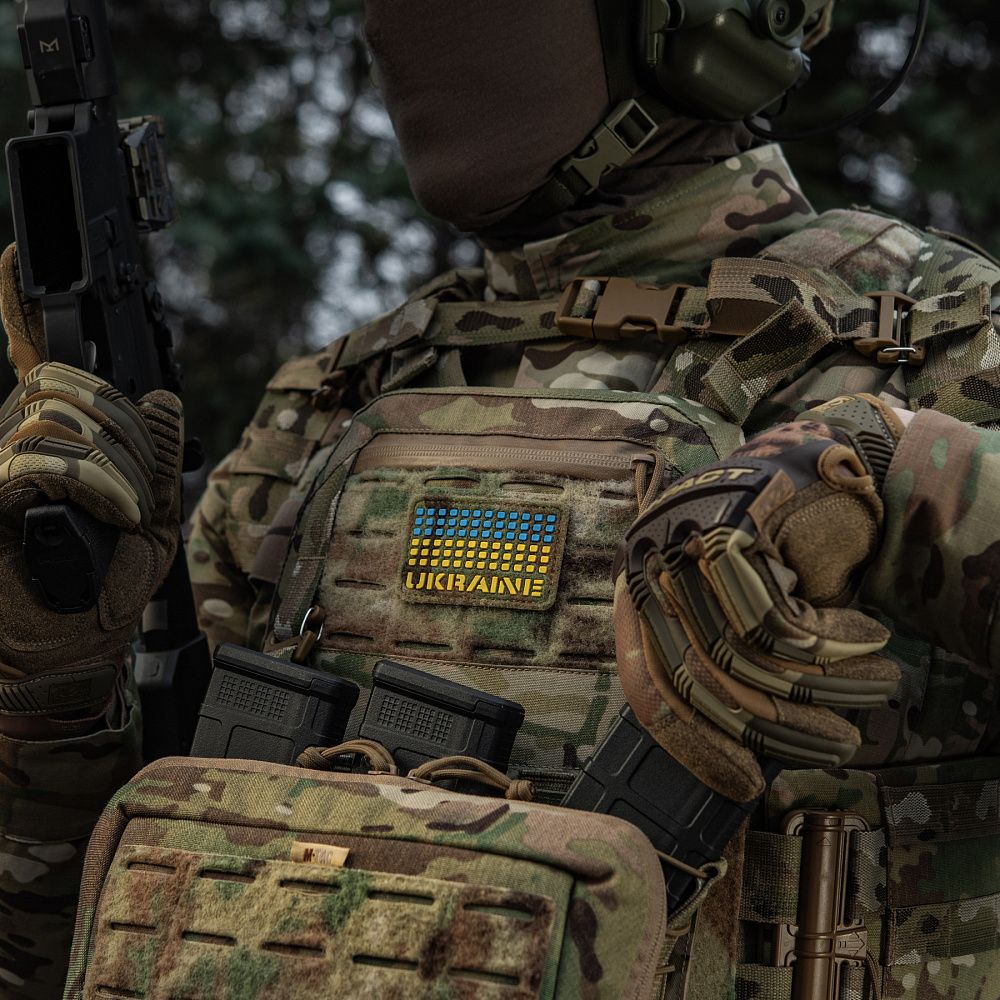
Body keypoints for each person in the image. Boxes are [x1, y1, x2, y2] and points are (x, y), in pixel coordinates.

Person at [1, 2, 999, 997]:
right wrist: (54, 689)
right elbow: (102, 938)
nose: (394, 29)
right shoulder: (334, 400)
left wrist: (903, 473)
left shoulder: (947, 341)